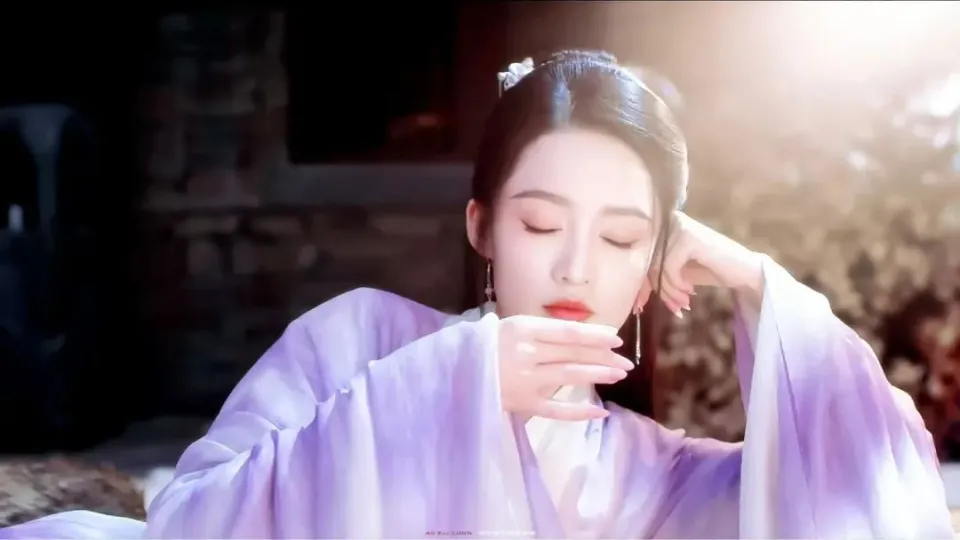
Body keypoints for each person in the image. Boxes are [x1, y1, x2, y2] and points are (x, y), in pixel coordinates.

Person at [0, 50, 952, 539]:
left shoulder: (649, 472)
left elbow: (864, 496)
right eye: (539, 225)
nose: (576, 267)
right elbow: (196, 524)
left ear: (652, 266)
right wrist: (443, 391)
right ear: (481, 229)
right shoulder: (361, 341)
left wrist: (756, 283)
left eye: (622, 238)